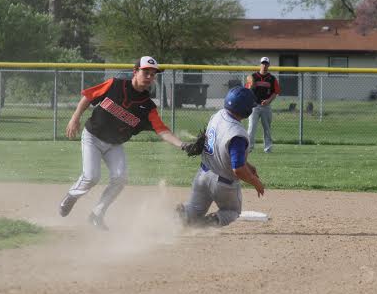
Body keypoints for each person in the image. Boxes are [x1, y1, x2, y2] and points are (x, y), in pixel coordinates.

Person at [59, 56, 189, 230]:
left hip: (114, 145)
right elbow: (89, 96)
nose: (149, 76)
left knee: (120, 178)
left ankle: (97, 214)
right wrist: (75, 118)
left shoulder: (147, 107)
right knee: (91, 177)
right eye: (146, 72)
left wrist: (183, 145)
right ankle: (71, 196)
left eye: (153, 74)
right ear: (135, 72)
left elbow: (162, 131)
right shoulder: (114, 85)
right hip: (92, 137)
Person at [176, 86, 265, 227]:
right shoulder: (237, 134)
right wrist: (255, 181)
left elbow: (222, 149)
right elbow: (238, 169)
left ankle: (173, 220)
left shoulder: (218, 115)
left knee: (192, 210)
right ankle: (205, 224)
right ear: (246, 110)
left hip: (203, 176)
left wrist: (247, 164)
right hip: (223, 184)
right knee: (232, 211)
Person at [245, 56, 281, 153]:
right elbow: (247, 89)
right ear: (260, 64)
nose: (264, 65)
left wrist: (269, 100)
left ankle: (268, 148)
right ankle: (249, 148)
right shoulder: (254, 76)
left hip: (266, 106)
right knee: (251, 127)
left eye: (266, 63)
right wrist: (249, 81)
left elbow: (276, 92)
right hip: (254, 106)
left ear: (269, 65)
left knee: (267, 128)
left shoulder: (272, 79)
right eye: (263, 63)